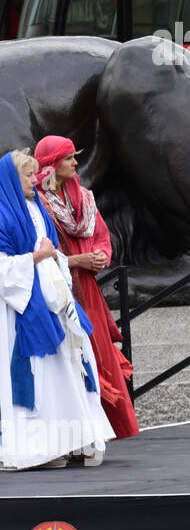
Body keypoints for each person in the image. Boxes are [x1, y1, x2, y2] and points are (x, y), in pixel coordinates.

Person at [0, 149, 114, 470]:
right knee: (37, 371)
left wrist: (52, 257)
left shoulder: (38, 208)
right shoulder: (3, 214)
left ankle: (66, 441)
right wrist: (37, 257)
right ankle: (38, 447)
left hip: (52, 301)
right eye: (26, 175)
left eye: (34, 174)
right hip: (22, 308)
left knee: (68, 364)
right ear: (11, 179)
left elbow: (53, 252)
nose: (33, 180)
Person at [34, 136, 138, 439]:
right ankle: (81, 433)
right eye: (68, 158)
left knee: (99, 353)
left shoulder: (85, 198)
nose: (75, 163)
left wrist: (100, 256)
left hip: (88, 287)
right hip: (59, 290)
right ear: (52, 164)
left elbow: (102, 237)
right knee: (75, 356)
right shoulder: (39, 203)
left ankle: (109, 428)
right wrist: (76, 260)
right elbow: (39, 250)